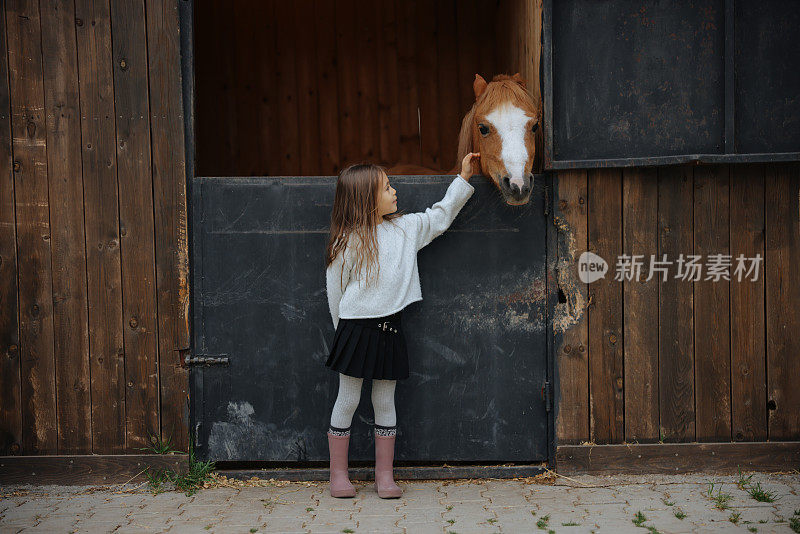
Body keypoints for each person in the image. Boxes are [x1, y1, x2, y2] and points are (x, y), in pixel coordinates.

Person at [323, 152, 481, 498]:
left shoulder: (406, 229)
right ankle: (338, 475)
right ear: (367, 200)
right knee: (347, 399)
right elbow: (335, 290)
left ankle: (384, 477)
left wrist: (463, 179)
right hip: (353, 329)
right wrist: (341, 333)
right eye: (386, 187)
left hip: (389, 328)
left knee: (385, 400)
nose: (394, 191)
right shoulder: (347, 240)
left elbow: (439, 218)